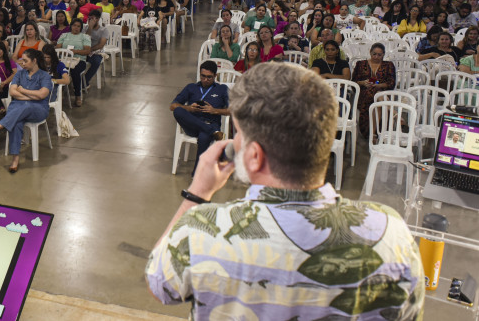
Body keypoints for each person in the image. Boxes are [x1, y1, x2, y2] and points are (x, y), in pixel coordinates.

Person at [146, 63, 424, 320]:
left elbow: (159, 283)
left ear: (254, 156)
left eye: (239, 134)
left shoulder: (204, 231)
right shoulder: (392, 234)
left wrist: (198, 193)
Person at [0, 48, 52, 173]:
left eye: (25, 61)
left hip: (38, 109)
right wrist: (31, 96)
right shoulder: (19, 74)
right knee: (16, 122)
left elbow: (42, 95)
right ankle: (15, 159)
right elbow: (12, 92)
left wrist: (22, 91)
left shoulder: (44, 76)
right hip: (18, 106)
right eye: (22, 60)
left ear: (34, 61)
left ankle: (0, 126)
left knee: (27, 106)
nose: (22, 63)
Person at [170, 61, 230, 174]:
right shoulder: (191, 87)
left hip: (211, 122)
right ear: (199, 74)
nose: (205, 80)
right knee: (178, 111)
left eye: (209, 77)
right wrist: (189, 108)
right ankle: (213, 132)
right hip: (192, 124)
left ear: (215, 76)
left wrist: (215, 110)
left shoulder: (222, 89)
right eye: (203, 76)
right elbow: (173, 106)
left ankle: (196, 174)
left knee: (203, 137)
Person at [352, 43, 396, 135]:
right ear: (370, 52)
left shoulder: (388, 65)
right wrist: (363, 82)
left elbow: (391, 83)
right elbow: (353, 82)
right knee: (376, 95)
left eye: (379, 55)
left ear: (384, 54)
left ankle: (373, 134)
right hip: (364, 93)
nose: (376, 57)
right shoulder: (360, 64)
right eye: (374, 54)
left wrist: (378, 85)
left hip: (382, 91)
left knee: (378, 98)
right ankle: (394, 113)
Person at [56, 18, 91, 107]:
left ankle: (78, 96)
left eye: (78, 26)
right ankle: (55, 94)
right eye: (74, 25)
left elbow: (87, 51)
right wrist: (64, 51)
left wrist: (74, 51)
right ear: (71, 26)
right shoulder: (64, 35)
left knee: (75, 72)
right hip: (64, 59)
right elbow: (58, 47)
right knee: (55, 69)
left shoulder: (85, 37)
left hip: (79, 60)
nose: (76, 28)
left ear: (81, 28)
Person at [82, 10, 108, 87]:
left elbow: (101, 45)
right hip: (84, 50)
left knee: (96, 62)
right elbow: (84, 40)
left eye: (93, 19)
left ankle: (84, 82)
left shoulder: (104, 30)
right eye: (89, 19)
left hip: (96, 52)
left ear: (98, 19)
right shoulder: (85, 28)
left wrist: (90, 49)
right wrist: (90, 28)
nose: (91, 21)